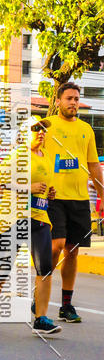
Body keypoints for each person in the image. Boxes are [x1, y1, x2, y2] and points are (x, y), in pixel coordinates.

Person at [0, 117, 60, 335]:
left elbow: (45, 187)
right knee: (5, 269)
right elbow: (1, 183)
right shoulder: (17, 155)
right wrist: (29, 186)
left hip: (40, 218)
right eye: (36, 128)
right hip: (15, 219)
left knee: (45, 269)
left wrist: (49, 193)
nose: (41, 132)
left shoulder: (46, 157)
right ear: (25, 133)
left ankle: (41, 318)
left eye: (44, 129)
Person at [43, 82, 103, 323]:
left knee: (73, 251)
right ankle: (41, 294)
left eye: (76, 99)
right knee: (56, 245)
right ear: (57, 101)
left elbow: (93, 166)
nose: (73, 103)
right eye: (68, 98)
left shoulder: (86, 129)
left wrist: (101, 194)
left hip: (79, 197)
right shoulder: (45, 126)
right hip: (53, 196)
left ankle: (66, 305)